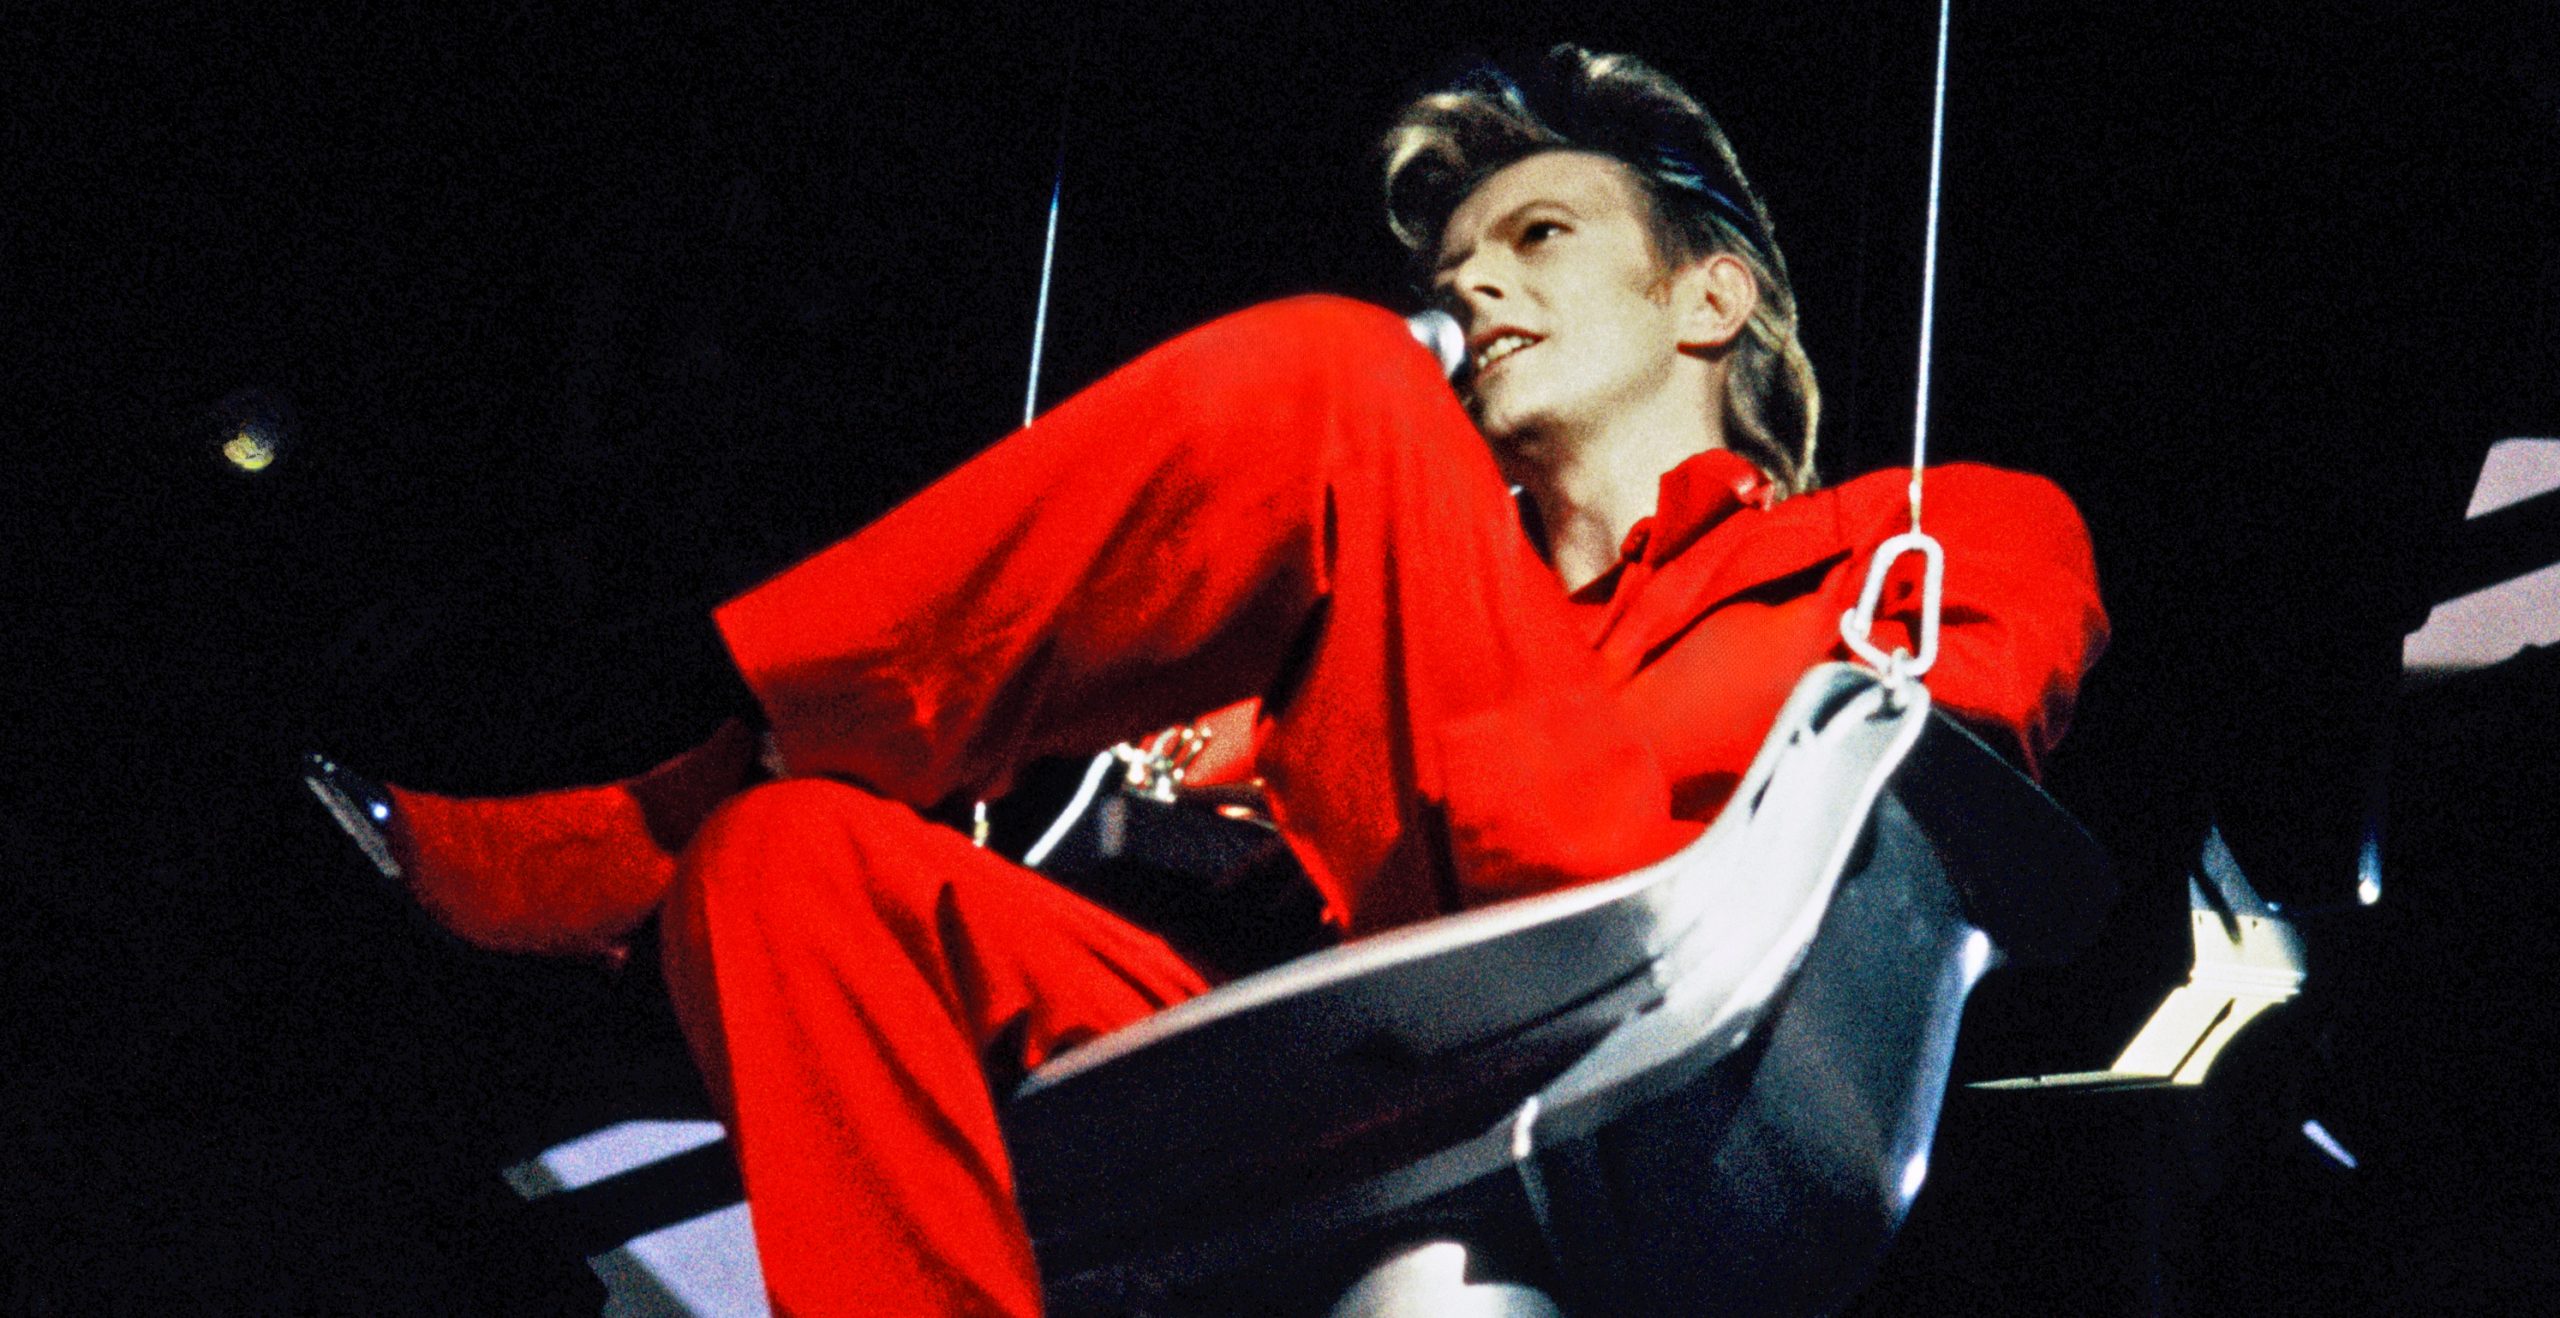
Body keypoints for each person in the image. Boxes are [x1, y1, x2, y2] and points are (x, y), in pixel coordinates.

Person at [381, 45, 2106, 1316]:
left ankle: (675, 779)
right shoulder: (1363, 638)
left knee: (1345, 383)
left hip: (1666, 993)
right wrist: (1244, 766)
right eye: (1453, 267)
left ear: (1708, 297)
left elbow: (1934, 765)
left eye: (1540, 236)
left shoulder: (1932, 533)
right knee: (799, 864)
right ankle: (739, 816)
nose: (1473, 286)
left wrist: (1353, 702)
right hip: (1372, 1035)